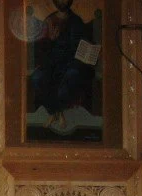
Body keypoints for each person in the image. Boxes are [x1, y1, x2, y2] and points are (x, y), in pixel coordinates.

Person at [29, 0, 94, 133]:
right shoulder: (49, 20)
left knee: (71, 77)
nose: (62, 2)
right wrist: (50, 40)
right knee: (37, 77)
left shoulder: (76, 21)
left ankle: (55, 112)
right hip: (52, 63)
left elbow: (85, 45)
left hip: (72, 63)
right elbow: (40, 50)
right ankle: (57, 112)